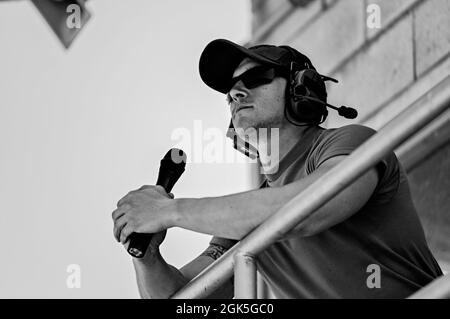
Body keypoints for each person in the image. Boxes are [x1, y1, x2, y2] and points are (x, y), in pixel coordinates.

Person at [111, 39, 443, 298]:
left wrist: (169, 212)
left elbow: (309, 208)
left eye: (255, 78)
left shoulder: (349, 142)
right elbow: (182, 297)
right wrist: (147, 255)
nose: (236, 92)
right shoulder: (241, 218)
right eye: (230, 91)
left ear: (302, 87)